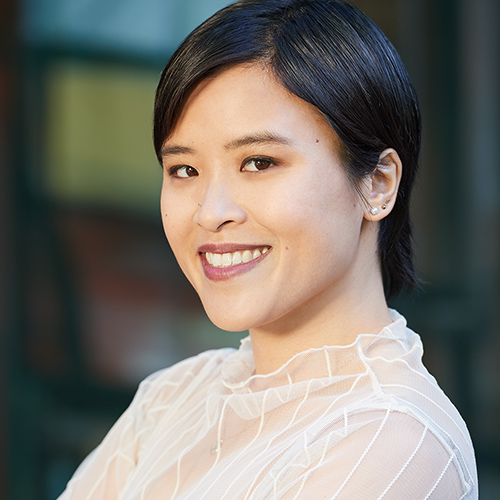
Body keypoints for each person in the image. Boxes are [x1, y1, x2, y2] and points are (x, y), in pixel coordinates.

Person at [58, 0, 478, 498]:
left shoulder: (394, 442)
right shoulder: (172, 399)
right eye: (184, 170)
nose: (210, 212)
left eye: (258, 162)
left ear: (378, 183)